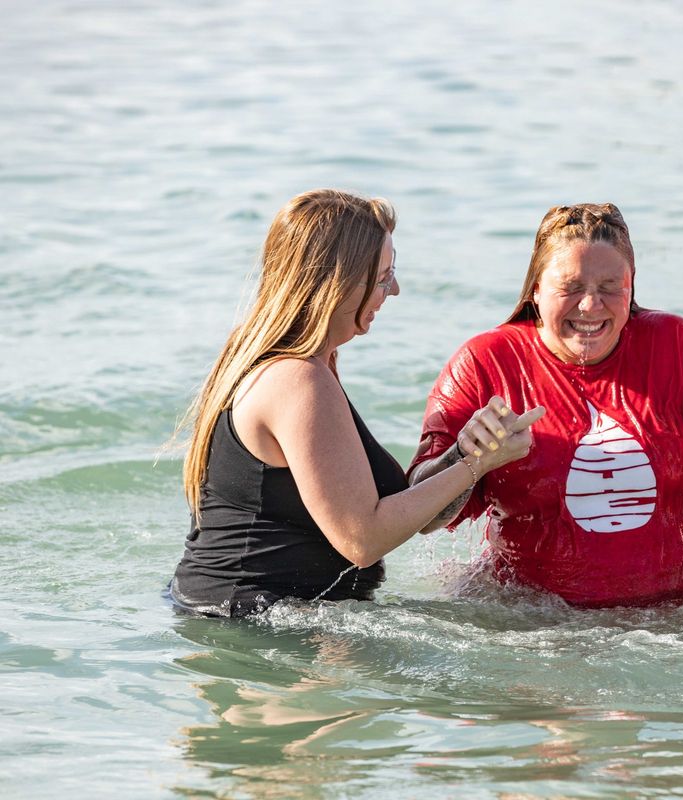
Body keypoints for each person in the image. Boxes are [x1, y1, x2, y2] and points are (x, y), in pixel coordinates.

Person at [170, 189, 541, 617]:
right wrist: (477, 467)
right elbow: (361, 539)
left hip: (243, 616)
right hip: (247, 626)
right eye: (383, 276)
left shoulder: (286, 361)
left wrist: (466, 454)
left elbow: (397, 513)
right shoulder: (298, 379)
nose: (395, 289)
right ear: (338, 282)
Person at [409, 203, 683, 607]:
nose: (590, 305)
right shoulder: (486, 362)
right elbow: (420, 516)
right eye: (570, 287)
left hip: (674, 617)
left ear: (631, 286)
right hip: (531, 623)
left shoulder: (677, 345)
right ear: (535, 289)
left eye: (609, 287)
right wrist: (469, 457)